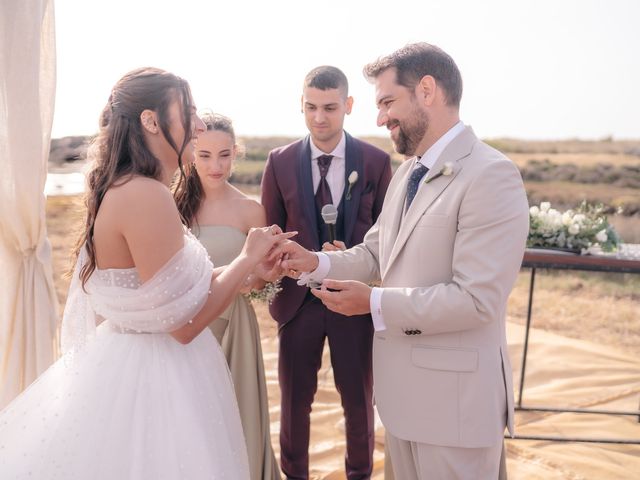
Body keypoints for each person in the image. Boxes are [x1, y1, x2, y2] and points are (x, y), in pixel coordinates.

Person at [0, 67, 293, 479]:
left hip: (150, 363)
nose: (200, 123)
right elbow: (182, 323)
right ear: (151, 120)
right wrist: (246, 258)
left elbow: (176, 291)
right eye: (188, 111)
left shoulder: (136, 188)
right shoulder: (145, 194)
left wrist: (250, 267)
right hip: (155, 379)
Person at [276, 43, 529, 479]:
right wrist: (313, 263)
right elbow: (376, 252)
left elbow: (476, 299)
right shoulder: (409, 173)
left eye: (388, 102)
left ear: (427, 90)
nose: (380, 118)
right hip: (402, 408)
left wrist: (373, 304)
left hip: (455, 414)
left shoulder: (491, 175)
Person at [261, 65, 392, 480]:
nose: (320, 117)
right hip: (298, 303)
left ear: (348, 106)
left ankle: (360, 475)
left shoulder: (375, 162)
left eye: (330, 108)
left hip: (354, 299)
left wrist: (347, 257)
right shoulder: (279, 162)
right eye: (312, 107)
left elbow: (388, 235)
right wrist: (296, 258)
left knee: (358, 401)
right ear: (301, 106)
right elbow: (271, 231)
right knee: (295, 402)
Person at [175, 112, 281, 480]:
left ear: (237, 153)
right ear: (191, 154)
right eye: (204, 155)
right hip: (184, 327)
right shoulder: (171, 205)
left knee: (235, 417)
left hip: (233, 328)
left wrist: (257, 278)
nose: (215, 165)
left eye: (224, 155)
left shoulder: (251, 210)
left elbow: (263, 282)